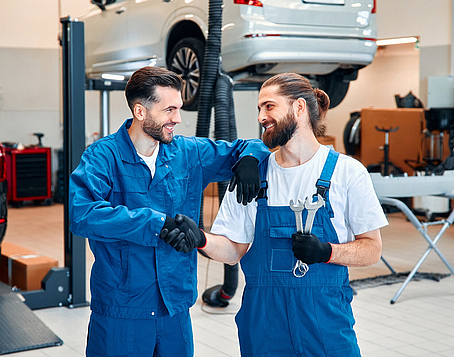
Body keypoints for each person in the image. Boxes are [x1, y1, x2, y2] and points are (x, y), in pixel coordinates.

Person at [162, 72, 388, 356]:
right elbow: (234, 250)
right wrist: (201, 239)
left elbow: (372, 249)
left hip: (326, 323)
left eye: (269, 106)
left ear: (299, 108)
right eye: (259, 108)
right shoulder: (252, 177)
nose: (261, 116)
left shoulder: (347, 172)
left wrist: (327, 252)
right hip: (264, 324)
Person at [69, 66, 270, 357]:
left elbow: (247, 146)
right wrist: (154, 223)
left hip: (174, 307)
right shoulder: (102, 156)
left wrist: (251, 157)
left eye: (179, 109)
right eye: (169, 110)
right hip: (122, 310)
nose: (177, 118)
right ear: (140, 112)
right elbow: (82, 213)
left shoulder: (188, 152)